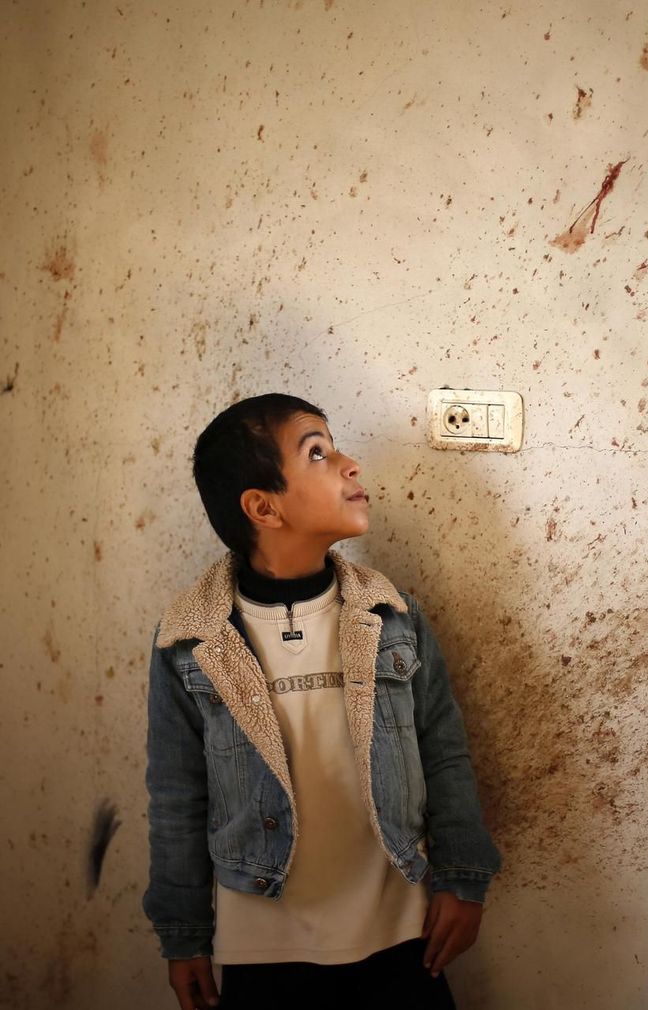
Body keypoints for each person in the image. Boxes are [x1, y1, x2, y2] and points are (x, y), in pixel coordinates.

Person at [143, 393, 501, 1010]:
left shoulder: (393, 617)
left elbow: (444, 752)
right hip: (263, 947)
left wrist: (464, 879)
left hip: (401, 932)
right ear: (263, 507)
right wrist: (183, 938)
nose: (350, 462)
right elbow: (176, 796)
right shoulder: (190, 642)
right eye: (318, 452)